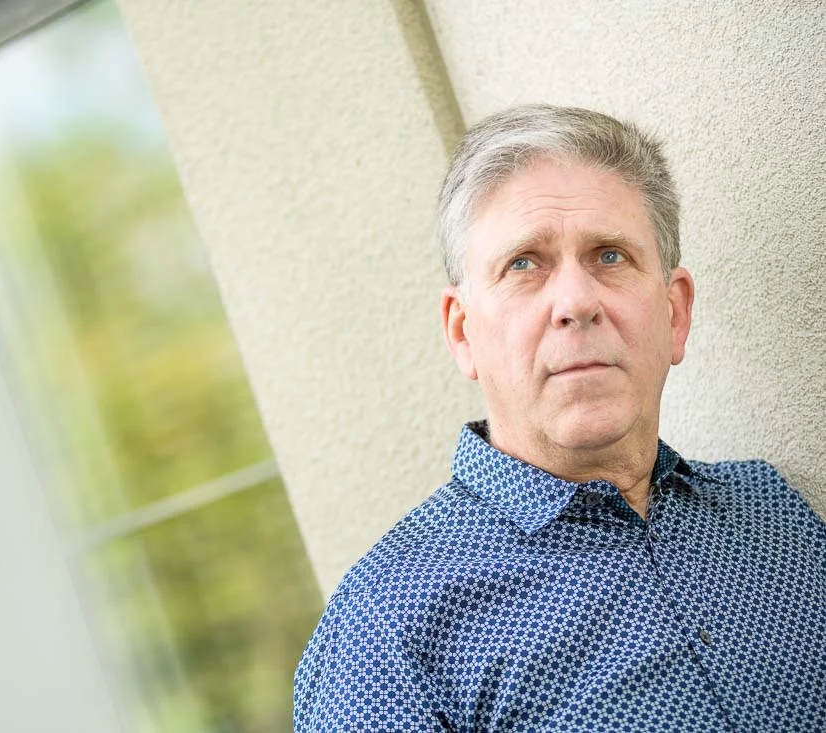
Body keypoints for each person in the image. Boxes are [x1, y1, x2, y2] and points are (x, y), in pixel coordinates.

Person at [292, 104, 826, 732]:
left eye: (610, 256)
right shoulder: (383, 631)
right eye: (523, 263)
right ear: (462, 332)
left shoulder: (776, 516)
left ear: (675, 314)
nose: (575, 301)